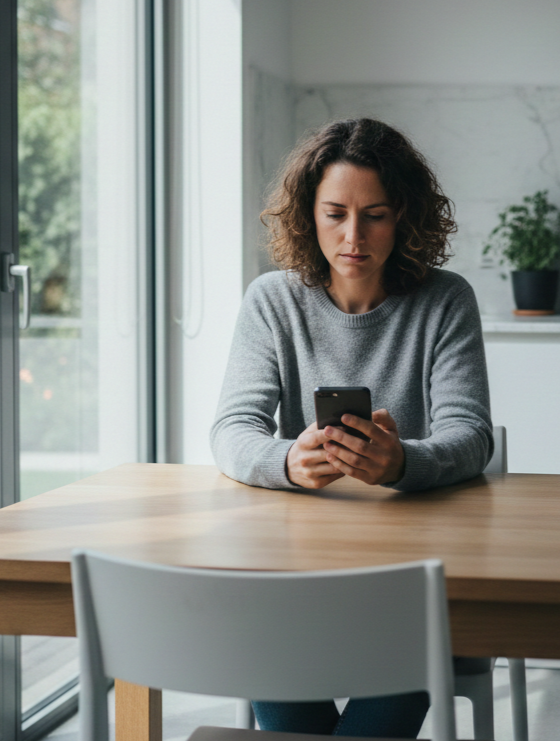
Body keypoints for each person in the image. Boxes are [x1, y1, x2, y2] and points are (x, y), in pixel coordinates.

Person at [211, 117, 493, 736]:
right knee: (270, 644)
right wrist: (287, 461)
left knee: (407, 647)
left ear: (406, 218)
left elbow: (471, 435)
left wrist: (402, 463)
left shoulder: (445, 300)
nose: (353, 236)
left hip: (414, 578)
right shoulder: (272, 301)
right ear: (307, 216)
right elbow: (233, 429)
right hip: (293, 574)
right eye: (335, 212)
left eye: (377, 215)